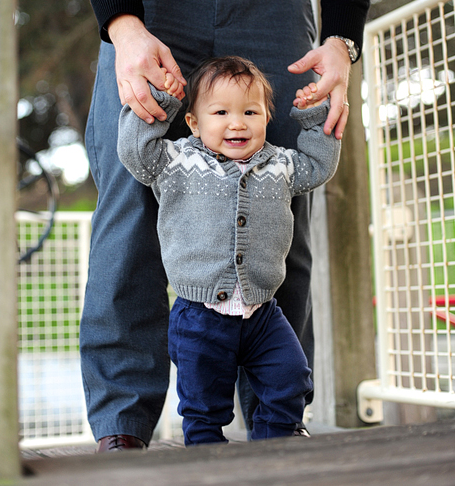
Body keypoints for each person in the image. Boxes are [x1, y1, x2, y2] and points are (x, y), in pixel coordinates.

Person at [76, 0, 373, 450]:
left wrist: (344, 40)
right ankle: (122, 429)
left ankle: (278, 418)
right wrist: (123, 26)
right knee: (130, 210)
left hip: (272, 3)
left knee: (279, 201)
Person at [118, 56, 340, 445]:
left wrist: (313, 118)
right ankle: (210, 465)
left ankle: (273, 449)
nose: (237, 122)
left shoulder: (281, 165)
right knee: (204, 406)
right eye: (220, 112)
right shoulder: (177, 162)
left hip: (263, 316)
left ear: (267, 118)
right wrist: (160, 101)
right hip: (199, 319)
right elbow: (136, 153)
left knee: (291, 379)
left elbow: (319, 166)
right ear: (194, 122)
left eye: (250, 112)